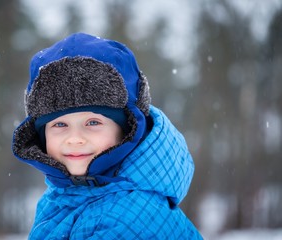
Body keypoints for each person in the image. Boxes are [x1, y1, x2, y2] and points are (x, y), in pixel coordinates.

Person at [12, 32, 202, 239]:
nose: (74, 138)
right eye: (60, 124)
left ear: (127, 131)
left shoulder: (127, 217)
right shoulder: (60, 198)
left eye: (93, 122)